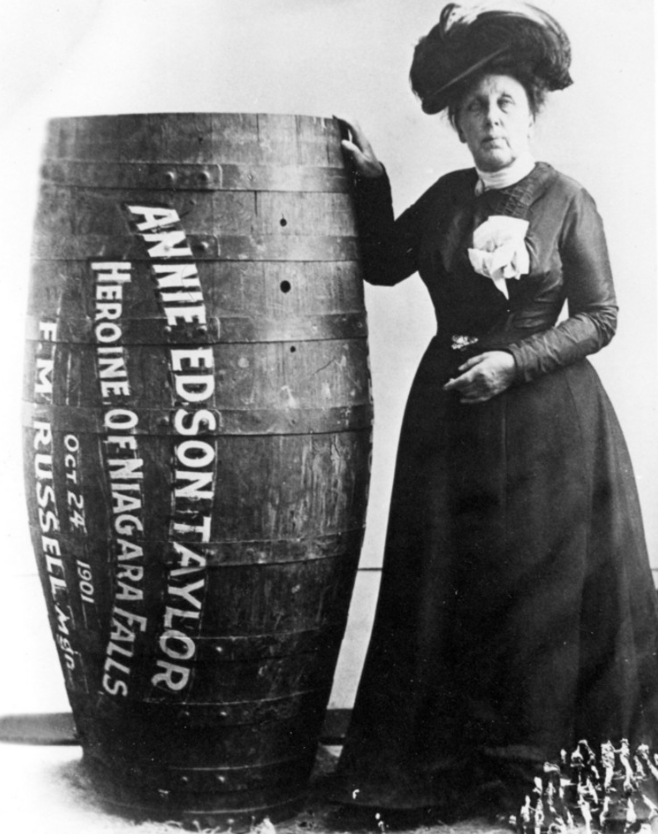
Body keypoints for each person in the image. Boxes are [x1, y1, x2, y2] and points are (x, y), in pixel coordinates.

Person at [331, 1, 658, 824]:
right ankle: (451, 765)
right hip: (449, 423)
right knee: (446, 584)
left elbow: (602, 317)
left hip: (551, 429)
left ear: (531, 109)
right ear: (458, 123)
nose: (490, 119)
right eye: (473, 107)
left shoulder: (568, 200)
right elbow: (382, 262)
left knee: (537, 597)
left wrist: (516, 361)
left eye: (505, 101)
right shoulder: (447, 199)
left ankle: (533, 767)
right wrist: (371, 183)